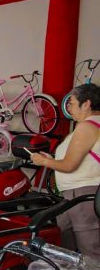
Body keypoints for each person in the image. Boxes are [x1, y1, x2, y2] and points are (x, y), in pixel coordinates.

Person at [31, 83, 100, 259]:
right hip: (75, 195)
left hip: (83, 194)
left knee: (90, 248)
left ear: (86, 104)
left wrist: (44, 161)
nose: (68, 108)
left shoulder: (87, 126)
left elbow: (69, 165)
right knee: (59, 238)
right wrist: (52, 159)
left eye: (72, 103)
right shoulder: (91, 125)